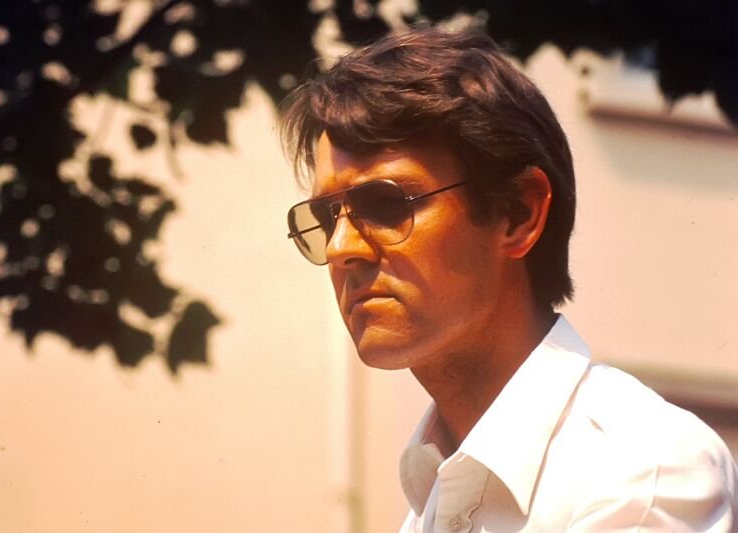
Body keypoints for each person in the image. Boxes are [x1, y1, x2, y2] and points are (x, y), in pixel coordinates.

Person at [279, 24, 738, 532]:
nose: (341, 248)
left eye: (386, 204)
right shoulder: (431, 495)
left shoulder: (641, 473)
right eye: (325, 219)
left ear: (519, 214)